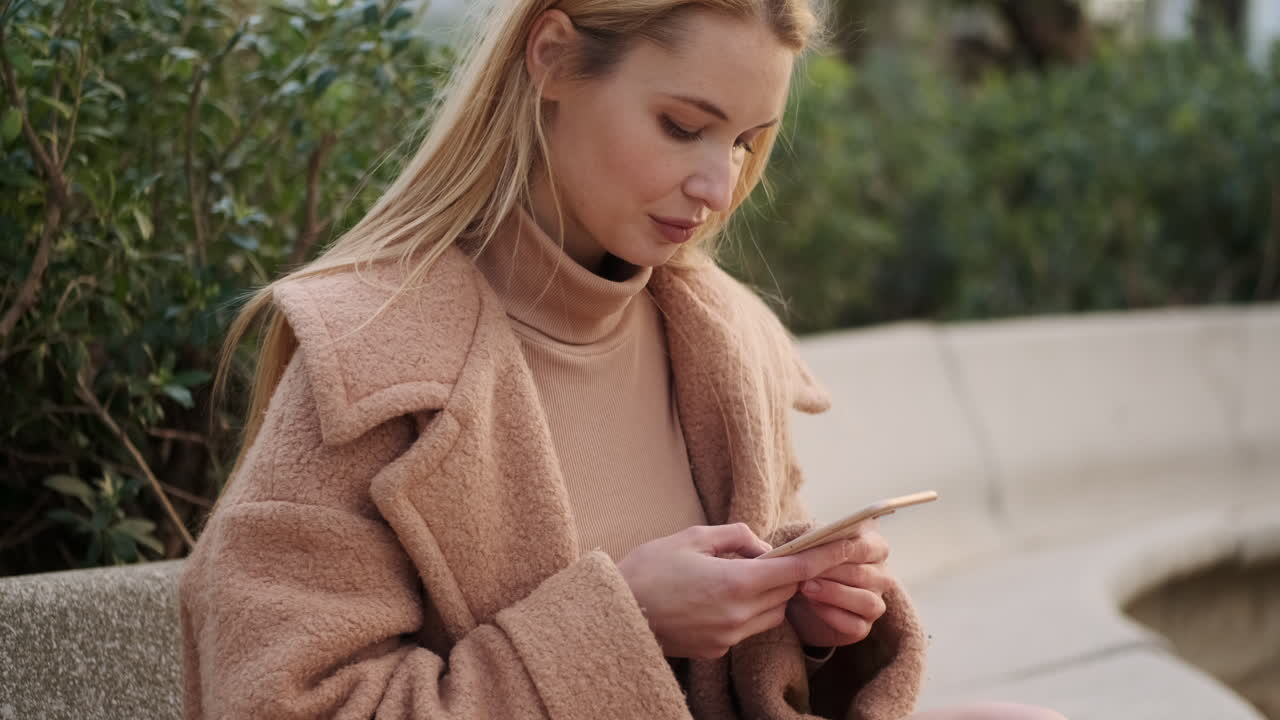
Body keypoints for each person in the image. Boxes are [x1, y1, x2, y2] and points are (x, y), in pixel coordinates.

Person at [180, 1, 1066, 718]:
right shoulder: (372, 360)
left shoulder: (725, 343)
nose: (719, 187)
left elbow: (757, 688)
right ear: (554, 58)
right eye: (684, 126)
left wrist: (804, 622)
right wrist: (626, 621)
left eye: (747, 142)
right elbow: (284, 704)